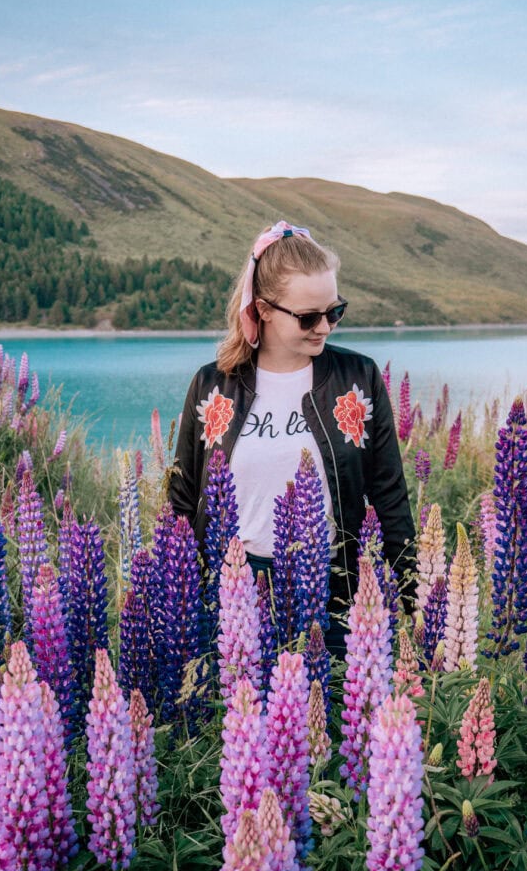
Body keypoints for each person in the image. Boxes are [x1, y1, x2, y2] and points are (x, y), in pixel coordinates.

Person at [169, 220, 415, 654]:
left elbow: (388, 493)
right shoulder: (213, 385)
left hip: (334, 583)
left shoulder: (358, 378)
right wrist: (176, 593)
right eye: (308, 317)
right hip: (230, 588)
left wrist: (410, 595)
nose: (324, 327)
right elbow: (183, 498)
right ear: (263, 309)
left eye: (334, 311)